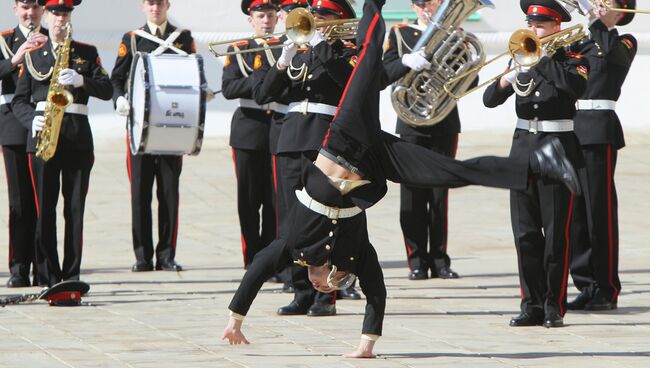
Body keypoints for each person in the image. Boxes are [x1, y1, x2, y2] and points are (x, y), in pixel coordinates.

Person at [223, 0, 581, 357]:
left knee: (366, 58)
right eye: (332, 282)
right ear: (338, 273)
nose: (322, 283)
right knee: (448, 173)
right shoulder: (355, 254)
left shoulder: (292, 245)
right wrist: (366, 347)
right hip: (375, 159)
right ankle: (539, 162)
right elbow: (376, 293)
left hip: (344, 139)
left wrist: (235, 319)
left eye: (322, 283)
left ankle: (373, 5)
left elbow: (256, 271)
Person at [483, 0, 588, 328]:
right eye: (531, 25)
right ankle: (531, 304)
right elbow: (489, 100)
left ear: (557, 26)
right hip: (522, 150)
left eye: (540, 26)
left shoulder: (574, 56)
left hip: (558, 149)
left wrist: (540, 60)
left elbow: (575, 87)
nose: (533, 31)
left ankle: (553, 305)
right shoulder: (520, 56)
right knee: (525, 234)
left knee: (556, 234)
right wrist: (505, 80)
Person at [254, 0, 360, 315]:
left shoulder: (346, 50)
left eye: (323, 17)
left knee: (326, 219)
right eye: (314, 16)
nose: (315, 21)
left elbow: (348, 82)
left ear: (338, 20)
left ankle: (326, 295)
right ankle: (302, 291)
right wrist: (283, 61)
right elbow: (263, 95)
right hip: (290, 139)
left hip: (325, 140)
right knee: (290, 220)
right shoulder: (299, 50)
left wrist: (321, 46)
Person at [11, 0, 113, 287]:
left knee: (75, 210)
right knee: (45, 209)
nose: (60, 19)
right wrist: (32, 119)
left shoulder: (86, 52)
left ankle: (72, 275)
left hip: (77, 139)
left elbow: (107, 89)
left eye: (65, 13)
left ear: (70, 17)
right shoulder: (34, 54)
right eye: (55, 13)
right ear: (47, 14)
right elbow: (19, 100)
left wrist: (83, 81)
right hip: (44, 139)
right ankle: (48, 275)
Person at [110, 0, 195, 272]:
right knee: (140, 193)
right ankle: (143, 256)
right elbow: (116, 77)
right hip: (138, 128)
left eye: (159, 3)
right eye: (150, 3)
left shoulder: (183, 38)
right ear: (142, 7)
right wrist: (119, 99)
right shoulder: (132, 39)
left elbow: (194, 72)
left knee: (169, 194)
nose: (155, 8)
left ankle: (167, 255)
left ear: (167, 5)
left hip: (172, 127)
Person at [383, 0, 464, 281]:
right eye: (421, 3)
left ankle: (440, 259)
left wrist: (458, 51)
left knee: (440, 194)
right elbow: (385, 71)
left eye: (432, 2)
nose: (427, 8)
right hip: (411, 121)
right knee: (412, 193)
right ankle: (416, 259)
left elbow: (468, 75)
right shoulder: (400, 34)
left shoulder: (455, 33)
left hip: (443, 120)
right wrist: (406, 62)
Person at [566, 0, 637, 311]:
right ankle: (584, 283)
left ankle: (606, 288)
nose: (596, 4)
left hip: (598, 131)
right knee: (575, 214)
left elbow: (610, 56)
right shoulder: (579, 41)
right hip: (570, 128)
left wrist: (597, 21)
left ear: (620, 11)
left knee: (599, 211)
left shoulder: (623, 41)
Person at [222, 0, 280, 270]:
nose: (266, 20)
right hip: (248, 129)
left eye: (270, 15)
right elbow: (229, 88)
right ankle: (252, 259)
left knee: (274, 200)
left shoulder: (288, 47)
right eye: (260, 15)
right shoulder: (239, 49)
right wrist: (263, 81)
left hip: (278, 128)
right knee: (248, 200)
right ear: (251, 19)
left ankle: (271, 258)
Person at [0, 0, 48, 287]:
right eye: (25, 8)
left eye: (35, 7)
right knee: (20, 201)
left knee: (44, 198)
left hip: (44, 121)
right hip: (13, 125)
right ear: (15, 9)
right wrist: (15, 60)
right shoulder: (5, 40)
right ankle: (19, 266)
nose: (30, 13)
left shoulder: (52, 38)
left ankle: (44, 266)